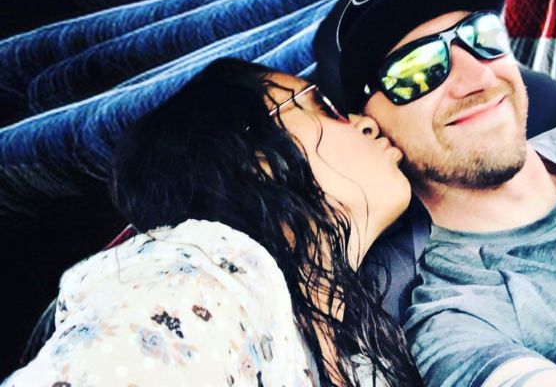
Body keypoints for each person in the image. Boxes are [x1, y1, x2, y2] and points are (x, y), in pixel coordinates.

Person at [313, 0, 556, 386]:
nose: (478, 77)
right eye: (416, 68)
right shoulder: (455, 319)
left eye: (481, 34)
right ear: (368, 129)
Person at [3, 58, 422, 386]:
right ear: (255, 160)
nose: (366, 123)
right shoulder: (195, 280)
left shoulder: (361, 359)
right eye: (322, 105)